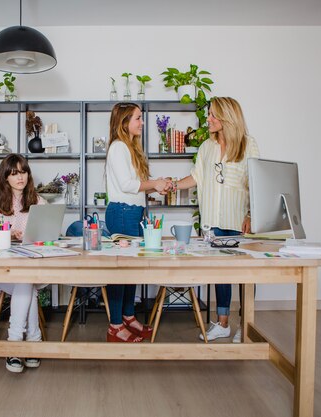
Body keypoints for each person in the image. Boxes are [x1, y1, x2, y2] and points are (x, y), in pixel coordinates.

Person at [173, 96, 259, 343]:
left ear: (226, 117)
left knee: (245, 276)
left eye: (212, 115)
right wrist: (171, 185)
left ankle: (246, 324)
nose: (208, 119)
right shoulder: (206, 148)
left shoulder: (248, 145)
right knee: (220, 274)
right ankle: (222, 323)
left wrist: (251, 215)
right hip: (212, 222)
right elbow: (195, 178)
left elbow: (256, 183)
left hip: (237, 223)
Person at [104, 102, 172, 342]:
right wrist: (154, 183)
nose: (142, 122)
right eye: (138, 118)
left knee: (130, 269)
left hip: (131, 213)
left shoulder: (129, 148)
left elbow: (134, 187)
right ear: (124, 122)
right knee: (119, 272)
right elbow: (126, 185)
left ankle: (127, 317)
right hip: (122, 213)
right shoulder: (118, 148)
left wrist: (155, 188)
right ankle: (114, 326)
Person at [0, 153, 47, 372]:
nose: (20, 177)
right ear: (5, 178)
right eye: (14, 173)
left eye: (23, 172)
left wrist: (35, 234)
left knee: (26, 280)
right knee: (25, 283)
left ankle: (16, 345)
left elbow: (47, 231)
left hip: (31, 265)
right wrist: (12, 233)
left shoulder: (38, 201)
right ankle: (32, 340)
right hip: (4, 268)